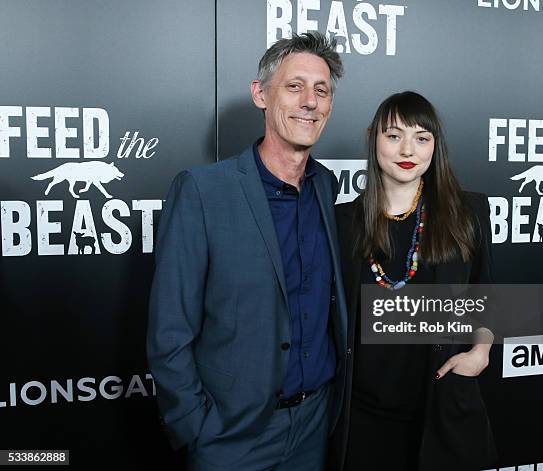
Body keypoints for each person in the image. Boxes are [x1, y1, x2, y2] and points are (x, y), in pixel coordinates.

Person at [147, 32, 348, 471]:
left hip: (314, 427)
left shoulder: (325, 187)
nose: (309, 102)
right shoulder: (202, 191)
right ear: (261, 94)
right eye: (294, 87)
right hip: (231, 437)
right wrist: (194, 426)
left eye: (322, 90)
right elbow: (170, 328)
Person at [328, 91, 497, 471]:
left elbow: (486, 295)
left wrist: (480, 352)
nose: (408, 149)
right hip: (363, 420)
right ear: (373, 139)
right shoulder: (342, 222)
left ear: (435, 146)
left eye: (422, 138)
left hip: (441, 412)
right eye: (394, 135)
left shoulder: (468, 213)